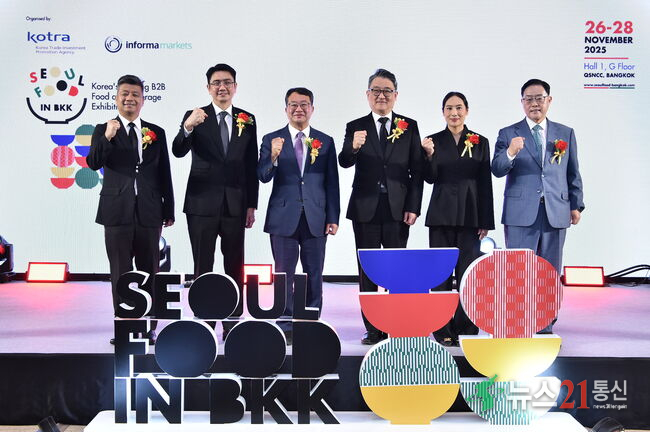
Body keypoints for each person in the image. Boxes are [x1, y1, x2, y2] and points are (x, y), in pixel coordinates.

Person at [87, 74, 174, 345]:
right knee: (120, 271)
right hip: (116, 210)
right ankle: (124, 325)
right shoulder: (103, 129)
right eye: (124, 94)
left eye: (135, 94)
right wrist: (108, 137)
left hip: (150, 211)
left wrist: (168, 209)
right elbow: (93, 162)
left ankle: (148, 326)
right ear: (116, 98)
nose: (130, 99)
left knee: (150, 271)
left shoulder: (156, 132)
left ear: (143, 100)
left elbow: (164, 172)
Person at [172, 64, 258, 338]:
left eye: (227, 82)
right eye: (217, 83)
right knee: (203, 265)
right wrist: (187, 127)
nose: (222, 87)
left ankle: (233, 319)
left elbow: (251, 164)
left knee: (235, 265)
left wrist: (251, 204)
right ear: (208, 88)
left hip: (235, 203)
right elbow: (177, 150)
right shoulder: (195, 116)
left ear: (235, 87)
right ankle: (205, 319)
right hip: (201, 204)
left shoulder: (247, 119)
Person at [492, 79, 584, 333]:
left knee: (550, 272)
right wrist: (510, 152)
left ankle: (545, 324)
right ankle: (519, 322)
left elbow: (573, 172)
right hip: (520, 214)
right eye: (529, 99)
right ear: (522, 102)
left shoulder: (565, 133)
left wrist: (576, 204)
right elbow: (497, 169)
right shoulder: (508, 133)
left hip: (556, 211)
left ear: (549, 100)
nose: (534, 104)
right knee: (519, 271)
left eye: (539, 98)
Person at [338, 68, 423, 345]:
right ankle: (373, 328)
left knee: (397, 269)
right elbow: (344, 161)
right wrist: (353, 147)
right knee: (368, 270)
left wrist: (414, 206)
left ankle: (396, 322)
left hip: (398, 208)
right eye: (376, 90)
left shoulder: (409, 126)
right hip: (365, 208)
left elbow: (417, 170)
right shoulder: (356, 126)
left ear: (396, 95)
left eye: (387, 90)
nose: (381, 95)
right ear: (367, 94)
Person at [258, 87, 340, 344]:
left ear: (312, 109)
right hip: (283, 217)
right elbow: (262, 175)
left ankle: (311, 320)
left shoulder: (325, 141)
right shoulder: (271, 139)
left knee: (314, 273)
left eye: (304, 104)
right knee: (284, 274)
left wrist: (333, 217)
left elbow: (332, 182)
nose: (299, 109)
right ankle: (285, 323)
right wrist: (273, 155)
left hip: (316, 216)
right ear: (286, 109)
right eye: (293, 104)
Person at [421, 91, 494, 347]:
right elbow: (429, 178)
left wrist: (485, 220)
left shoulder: (480, 141)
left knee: (467, 274)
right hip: (440, 214)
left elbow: (485, 182)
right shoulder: (433, 141)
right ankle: (442, 328)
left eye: (459, 107)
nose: (454, 113)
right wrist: (428, 156)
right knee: (440, 274)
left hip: (470, 215)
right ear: (443, 112)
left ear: (467, 110)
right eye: (449, 108)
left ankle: (466, 326)